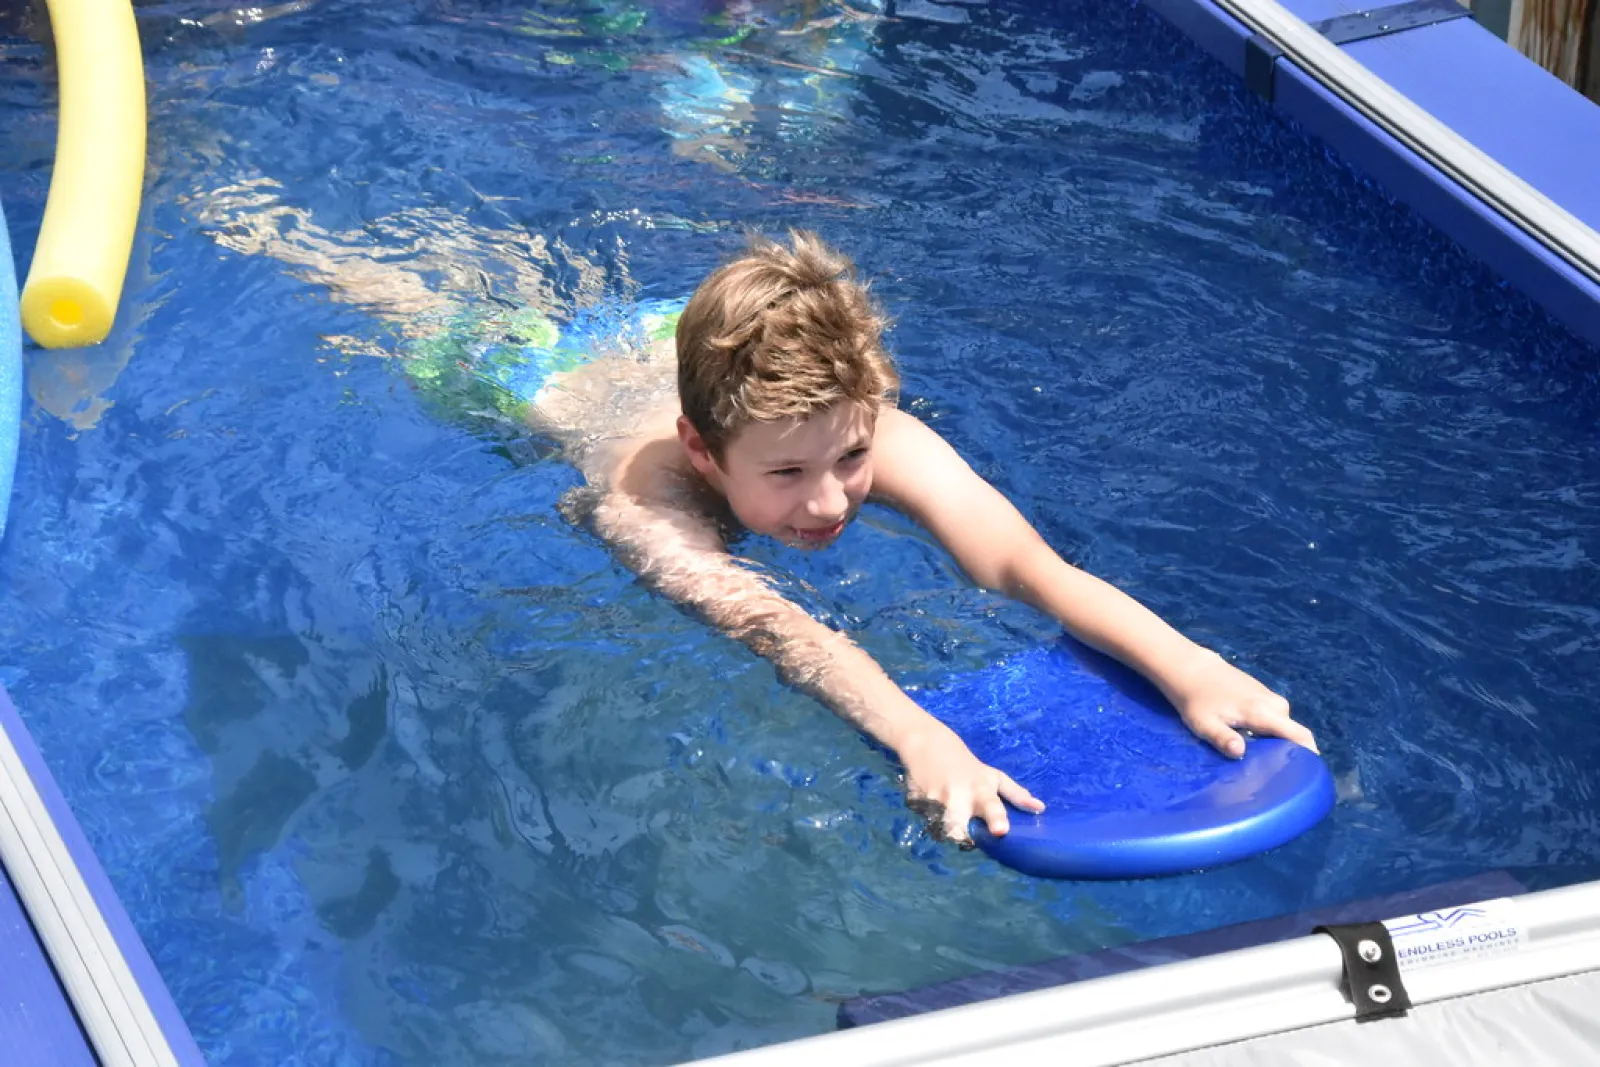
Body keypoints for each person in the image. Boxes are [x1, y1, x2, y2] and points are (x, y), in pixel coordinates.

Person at [515, 230, 1319, 845]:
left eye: (853, 456)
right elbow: (779, 625)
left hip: (667, 337)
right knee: (439, 309)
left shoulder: (841, 419)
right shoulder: (645, 503)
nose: (830, 501)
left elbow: (1022, 563)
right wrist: (917, 734)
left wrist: (1190, 665)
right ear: (703, 452)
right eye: (789, 474)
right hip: (533, 375)